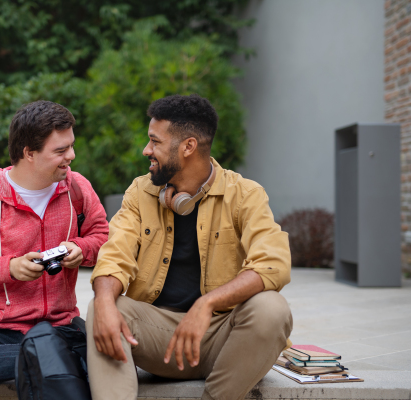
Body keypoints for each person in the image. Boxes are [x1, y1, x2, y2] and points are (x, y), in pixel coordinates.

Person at [87, 94, 293, 400]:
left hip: (221, 340)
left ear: (188, 147)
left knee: (272, 309)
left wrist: (206, 305)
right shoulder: (140, 192)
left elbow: (272, 264)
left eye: (155, 141)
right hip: (157, 339)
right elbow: (115, 256)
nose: (147, 150)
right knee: (103, 306)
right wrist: (103, 302)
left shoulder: (245, 194)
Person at [0, 100, 109, 388]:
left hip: (59, 325)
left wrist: (81, 249)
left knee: (117, 349)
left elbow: (103, 238)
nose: (72, 156)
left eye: (71, 146)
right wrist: (10, 267)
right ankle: (51, 358)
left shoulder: (78, 189)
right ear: (29, 153)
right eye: (61, 151)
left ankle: (43, 358)